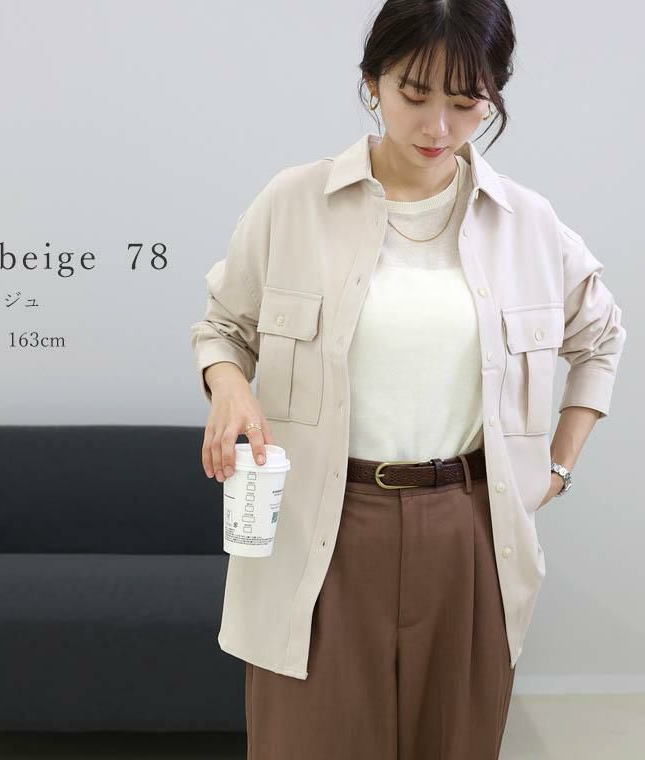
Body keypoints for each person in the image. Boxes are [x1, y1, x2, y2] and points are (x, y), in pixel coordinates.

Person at [189, 1, 627, 758]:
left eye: (466, 102)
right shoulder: (294, 203)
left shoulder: (526, 223)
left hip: (468, 528)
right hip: (322, 528)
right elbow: (223, 325)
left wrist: (557, 466)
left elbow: (602, 337)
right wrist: (229, 387)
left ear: (493, 94)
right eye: (415, 94)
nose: (438, 127)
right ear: (373, 82)